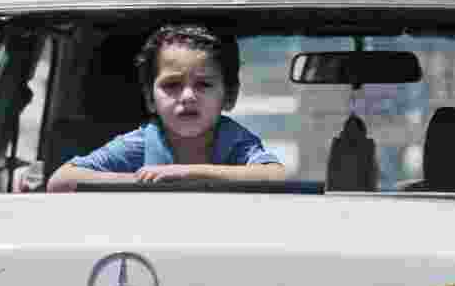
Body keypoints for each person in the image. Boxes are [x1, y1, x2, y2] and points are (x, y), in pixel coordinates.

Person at [46, 24, 285, 192]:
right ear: (150, 99)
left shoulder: (233, 141)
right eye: (172, 85)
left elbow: (276, 176)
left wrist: (188, 174)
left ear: (229, 96)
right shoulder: (143, 143)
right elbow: (61, 180)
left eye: (203, 84)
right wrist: (140, 181)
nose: (188, 96)